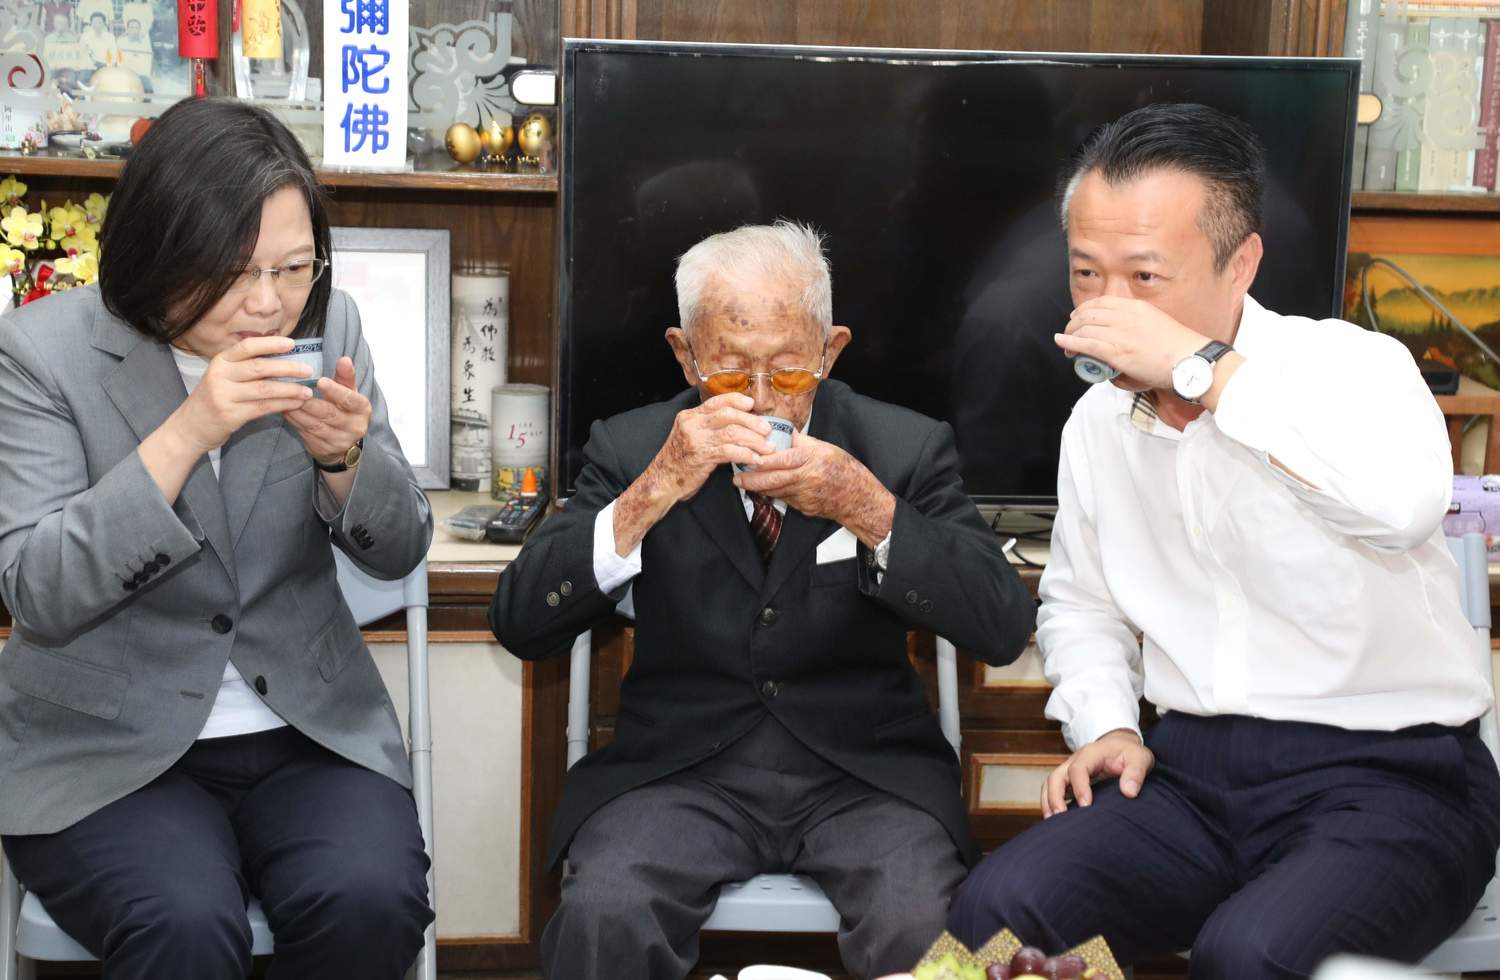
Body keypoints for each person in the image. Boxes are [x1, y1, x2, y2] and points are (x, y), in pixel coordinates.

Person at [946, 102, 1500, 976]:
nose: (1107, 306)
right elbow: (1080, 603)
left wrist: (1200, 372)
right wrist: (1105, 724)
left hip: (1393, 779)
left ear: (1240, 263)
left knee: (1249, 955)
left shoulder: (1352, 368)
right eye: (1086, 274)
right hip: (1189, 778)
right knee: (995, 914)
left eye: (1145, 278)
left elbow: (1400, 507)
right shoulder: (1097, 423)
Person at [490, 221, 1035, 980]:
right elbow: (521, 621)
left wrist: (869, 507)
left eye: (786, 372)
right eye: (727, 373)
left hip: (865, 774)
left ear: (829, 350)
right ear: (684, 353)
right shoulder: (634, 445)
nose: (757, 399)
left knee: (928, 926)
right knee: (606, 909)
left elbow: (1003, 623)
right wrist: (654, 490)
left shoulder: (902, 446)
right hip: (681, 772)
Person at [0, 97, 434, 979]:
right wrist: (188, 430)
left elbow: (399, 546)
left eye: (294, 268)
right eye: (236, 273)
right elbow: (37, 589)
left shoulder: (332, 325)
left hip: (305, 729)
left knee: (371, 899)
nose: (270, 305)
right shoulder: (42, 353)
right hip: (105, 748)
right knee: (184, 925)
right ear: (161, 248)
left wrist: (345, 459)